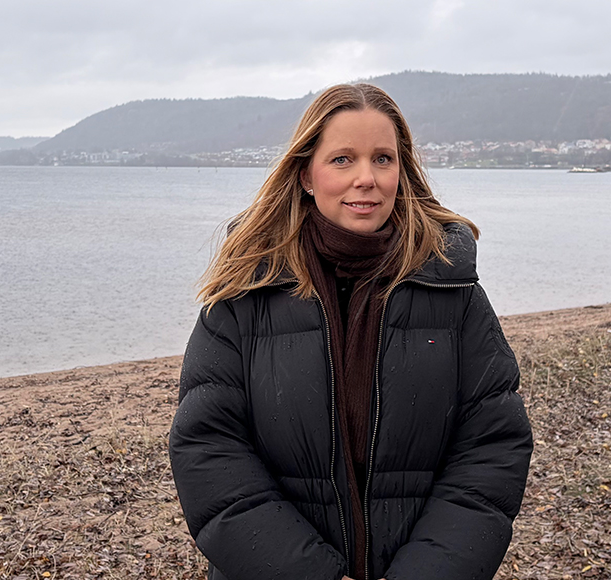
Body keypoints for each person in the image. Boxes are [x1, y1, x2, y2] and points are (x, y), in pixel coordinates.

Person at [169, 83, 532, 580]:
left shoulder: (452, 289)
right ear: (306, 175)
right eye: (342, 160)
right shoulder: (246, 292)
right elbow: (209, 449)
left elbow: (491, 445)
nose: (367, 178)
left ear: (401, 172)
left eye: (383, 159)